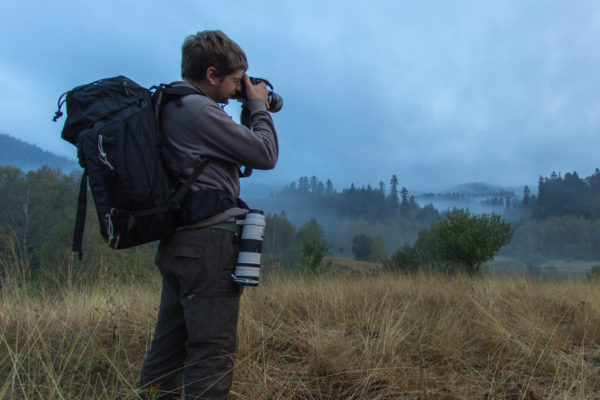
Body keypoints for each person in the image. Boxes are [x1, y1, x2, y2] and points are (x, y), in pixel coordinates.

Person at [138, 30, 279, 400]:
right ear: (212, 74)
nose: (238, 90)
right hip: (208, 245)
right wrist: (259, 106)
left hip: (181, 243)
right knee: (211, 352)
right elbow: (265, 155)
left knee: (168, 349)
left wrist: (245, 106)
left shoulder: (171, 104)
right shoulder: (199, 111)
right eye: (235, 81)